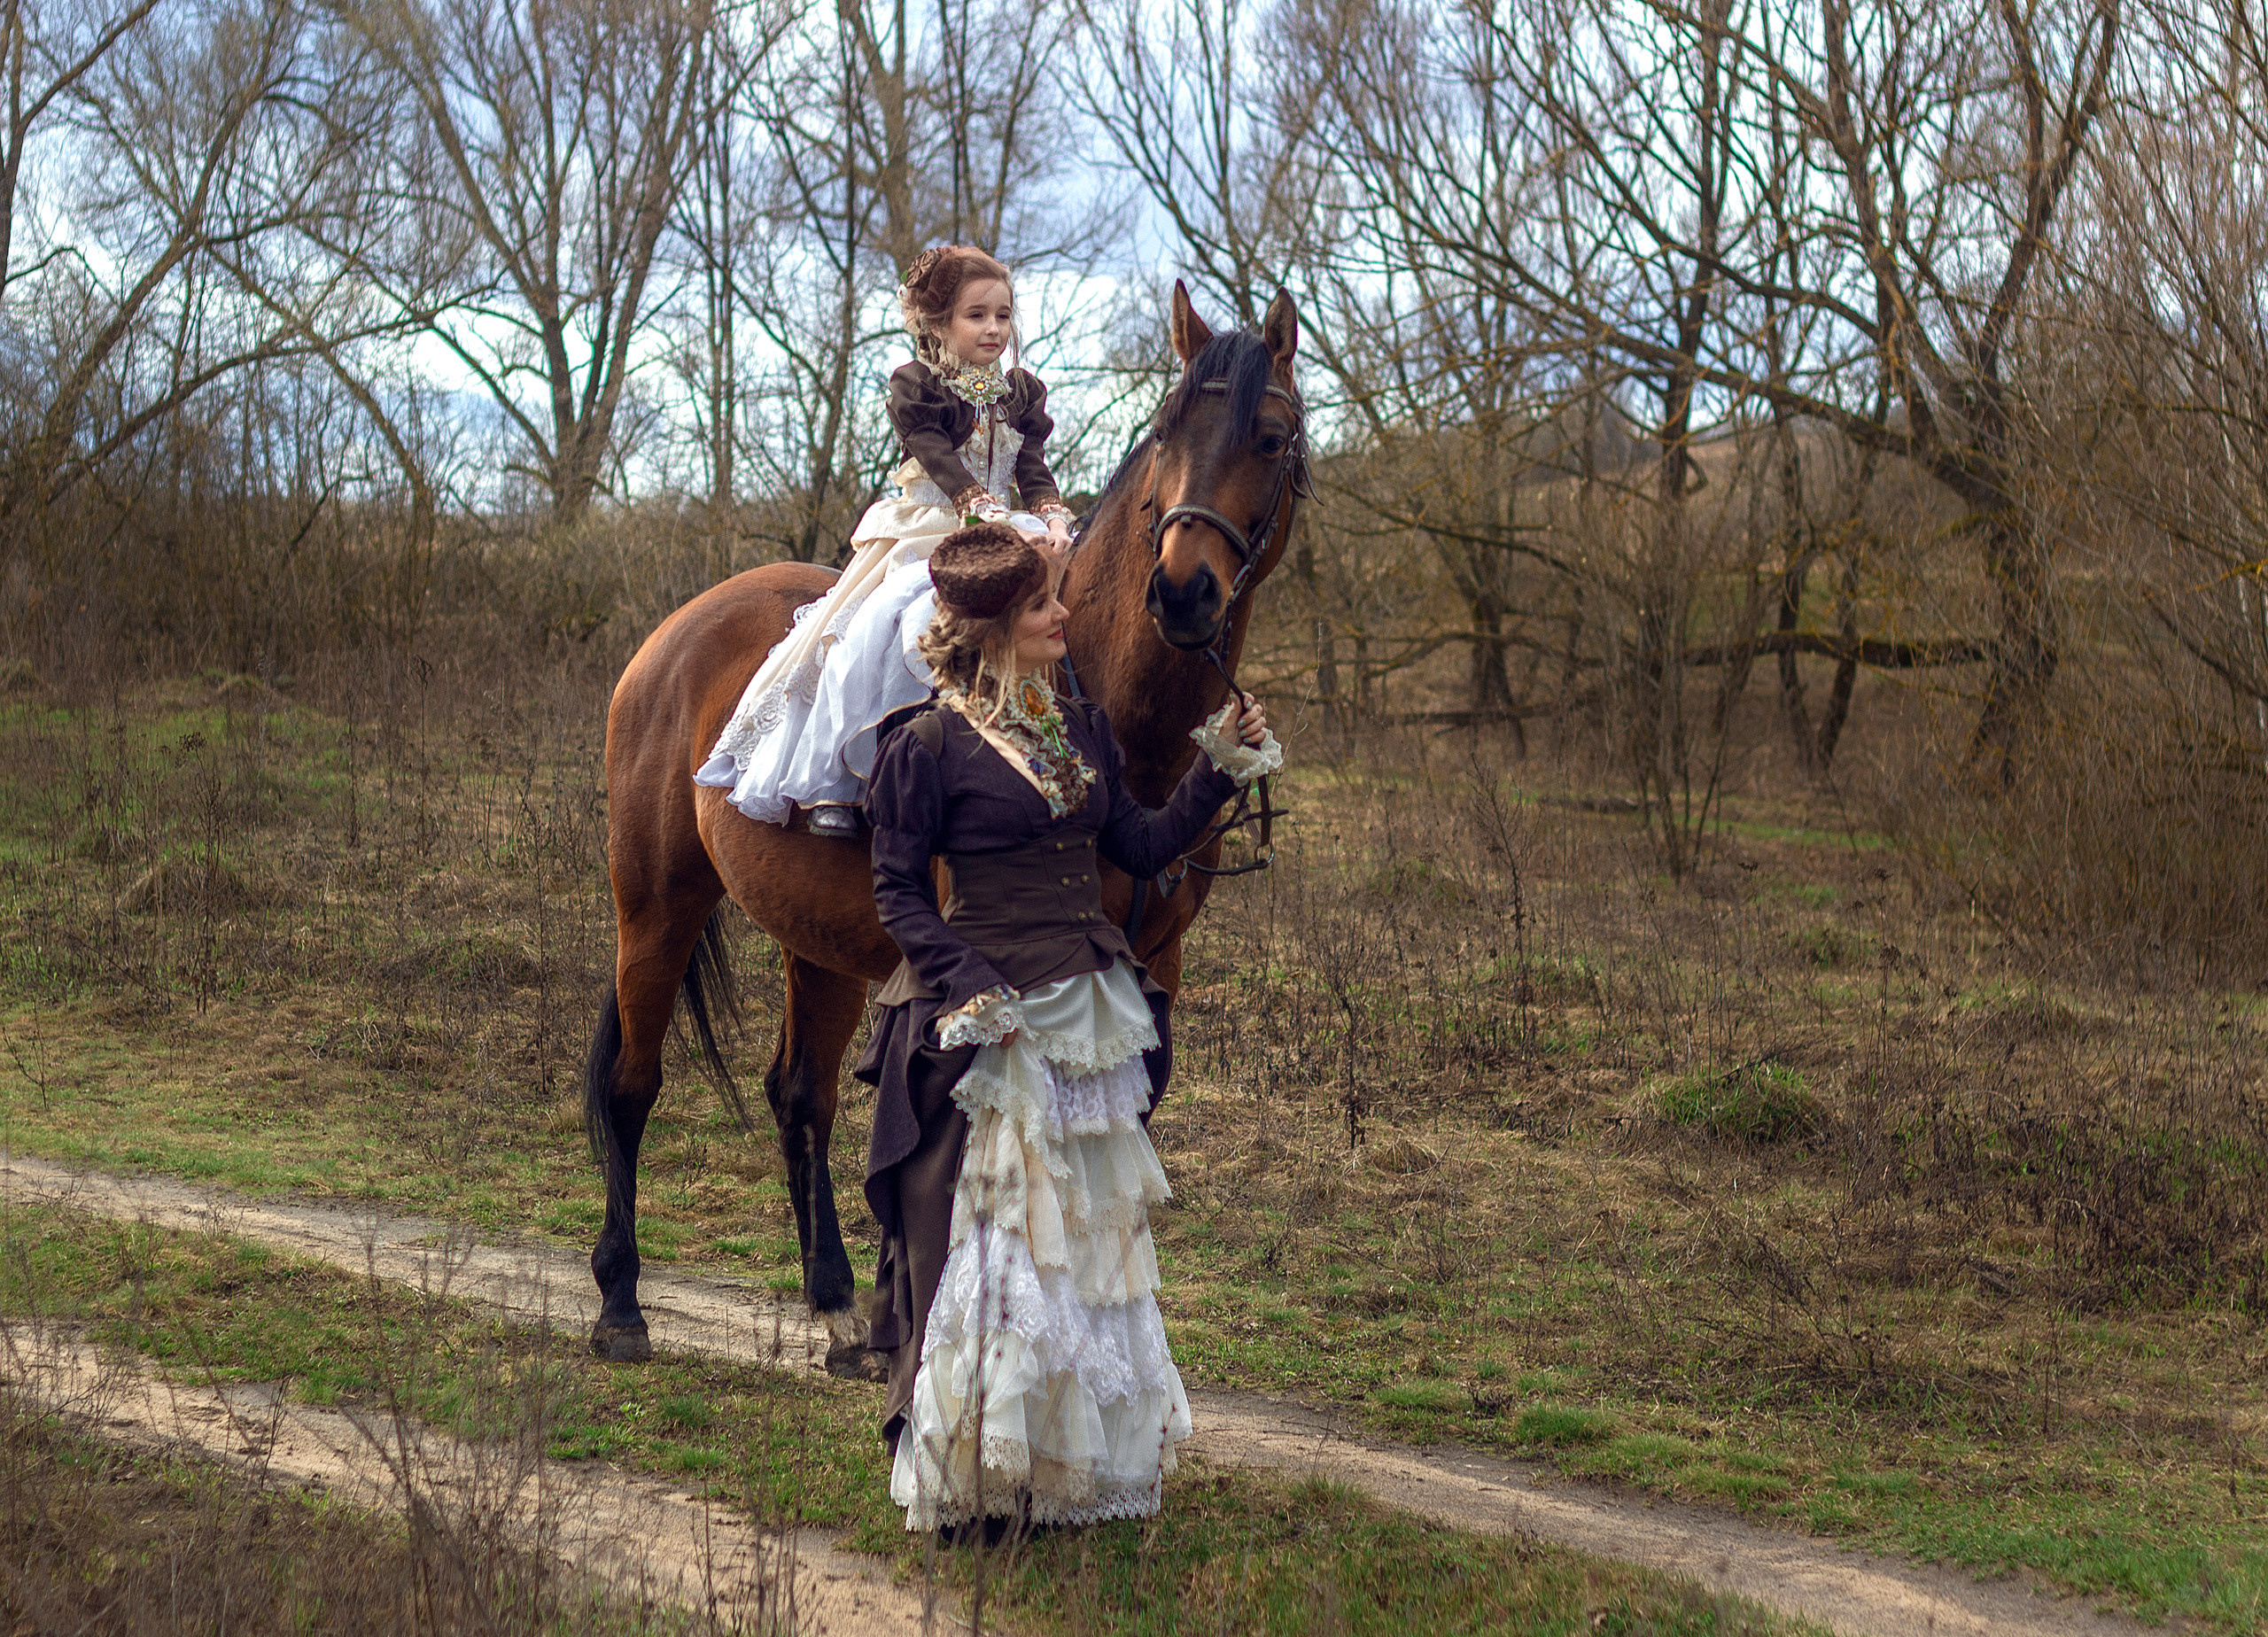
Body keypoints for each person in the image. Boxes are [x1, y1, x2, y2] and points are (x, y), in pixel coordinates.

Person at [853, 522, 1280, 1532]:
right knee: (999, 1254)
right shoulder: (925, 746)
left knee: (1077, 1252)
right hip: (992, 1020)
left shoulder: (1076, 728)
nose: (1064, 615)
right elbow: (898, 894)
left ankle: (1057, 1467)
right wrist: (967, 982)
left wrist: (1218, 767)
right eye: (1046, 605)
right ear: (998, 627)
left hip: (1081, 1012)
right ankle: (976, 1477)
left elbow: (1138, 843)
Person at [696, 245, 1076, 835]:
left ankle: (1045, 755)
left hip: (1007, 524)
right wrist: (981, 511)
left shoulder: (1022, 392)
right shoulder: (917, 385)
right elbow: (941, 465)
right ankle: (846, 781)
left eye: (1003, 315)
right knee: (883, 625)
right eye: (977, 315)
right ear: (938, 322)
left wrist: (1052, 519)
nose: (994, 328)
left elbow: (1034, 472)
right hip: (926, 529)